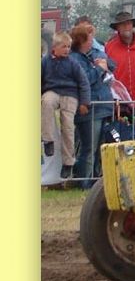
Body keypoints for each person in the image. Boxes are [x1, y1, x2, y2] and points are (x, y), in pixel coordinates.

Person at [70, 24, 116, 187]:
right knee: (89, 148)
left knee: (100, 148)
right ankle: (84, 182)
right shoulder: (74, 59)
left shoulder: (96, 52)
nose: (92, 40)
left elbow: (112, 65)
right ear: (82, 40)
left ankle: (96, 182)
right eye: (90, 37)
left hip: (104, 105)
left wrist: (105, 64)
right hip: (90, 110)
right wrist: (99, 68)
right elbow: (85, 81)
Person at [41, 32, 90, 179]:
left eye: (69, 47)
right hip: (52, 91)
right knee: (47, 102)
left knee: (68, 127)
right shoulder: (45, 62)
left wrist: (84, 102)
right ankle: (48, 140)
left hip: (70, 94)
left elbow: (83, 82)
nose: (67, 50)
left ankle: (68, 162)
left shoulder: (73, 63)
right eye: (64, 47)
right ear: (54, 47)